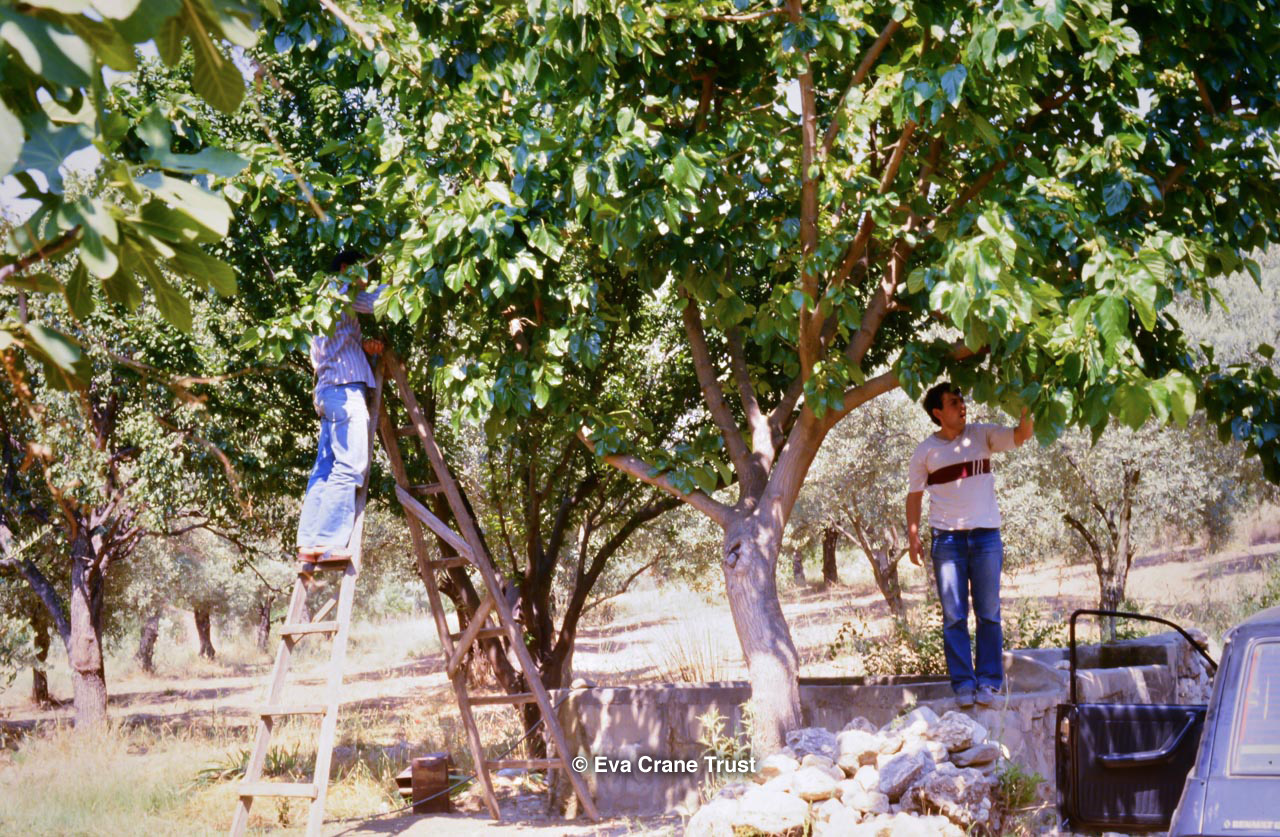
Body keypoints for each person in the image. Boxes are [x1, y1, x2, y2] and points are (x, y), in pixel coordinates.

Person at [905, 382, 1033, 708]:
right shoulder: (925, 452)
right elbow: (914, 496)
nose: (962, 406)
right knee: (954, 616)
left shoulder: (982, 435)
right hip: (947, 541)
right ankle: (963, 684)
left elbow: (1022, 435)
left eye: (962, 400)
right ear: (938, 412)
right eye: (953, 402)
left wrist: (1029, 400)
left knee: (989, 612)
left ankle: (988, 681)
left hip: (986, 536)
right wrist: (913, 536)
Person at [296, 250, 385, 584]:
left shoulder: (325, 302)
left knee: (325, 467)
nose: (367, 281)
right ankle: (329, 542)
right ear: (347, 269)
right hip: (344, 392)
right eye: (364, 273)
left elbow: (341, 344)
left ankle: (309, 542)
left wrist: (366, 349)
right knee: (351, 464)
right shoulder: (339, 290)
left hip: (329, 391)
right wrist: (409, 278)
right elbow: (378, 301)